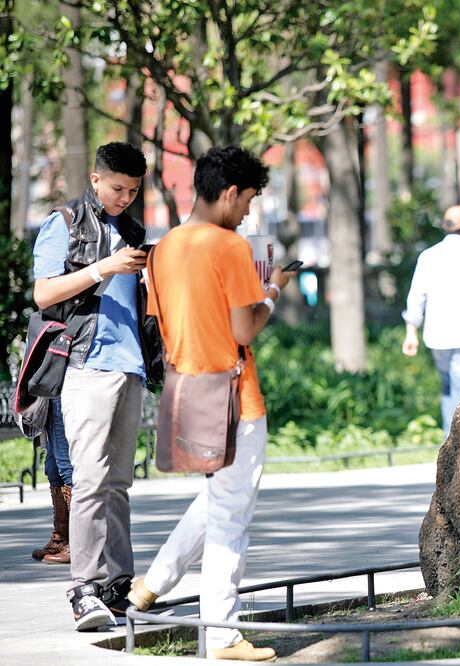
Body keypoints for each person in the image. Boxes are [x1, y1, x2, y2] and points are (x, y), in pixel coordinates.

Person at [124, 146, 293, 662]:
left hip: (187, 388)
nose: (247, 212)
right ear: (227, 192)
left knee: (220, 495)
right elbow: (244, 329)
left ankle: (150, 585)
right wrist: (273, 293)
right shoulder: (230, 246)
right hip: (234, 395)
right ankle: (222, 634)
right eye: (247, 200)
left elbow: (169, 319)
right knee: (231, 516)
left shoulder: (165, 247)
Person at [31, 142, 163, 631]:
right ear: (94, 179)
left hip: (129, 366)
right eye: (116, 188)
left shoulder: (130, 229)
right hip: (85, 364)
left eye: (132, 190)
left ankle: (117, 585)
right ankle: (83, 588)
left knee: (118, 483)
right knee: (89, 480)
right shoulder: (65, 222)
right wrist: (101, 268)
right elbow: (44, 293)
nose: (124, 197)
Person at [401, 204, 460, 437]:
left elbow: (416, 296)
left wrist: (411, 332)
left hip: (437, 335)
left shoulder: (428, 257)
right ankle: (458, 440)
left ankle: (449, 438)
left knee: (447, 385)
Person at [30, 399, 73, 565]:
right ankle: (61, 539)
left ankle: (78, 544)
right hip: (51, 392)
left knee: (66, 465)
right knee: (53, 468)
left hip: (65, 389)